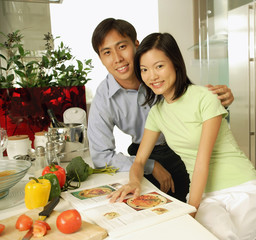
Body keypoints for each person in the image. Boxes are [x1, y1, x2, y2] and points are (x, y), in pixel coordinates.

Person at [107, 32, 256, 240]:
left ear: (175, 64)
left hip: (243, 190)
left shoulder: (205, 98)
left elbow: (202, 161)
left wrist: (191, 210)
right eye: (144, 70)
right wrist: (134, 182)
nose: (152, 76)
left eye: (159, 66)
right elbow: (139, 160)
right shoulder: (157, 113)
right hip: (206, 196)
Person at [88, 18, 234, 203]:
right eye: (107, 52)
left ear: (136, 45)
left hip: (183, 149)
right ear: (101, 58)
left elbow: (192, 103)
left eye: (122, 47)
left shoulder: (159, 74)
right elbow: (101, 157)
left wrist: (222, 100)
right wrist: (151, 165)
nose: (117, 58)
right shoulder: (103, 98)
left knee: (197, 203)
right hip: (143, 155)